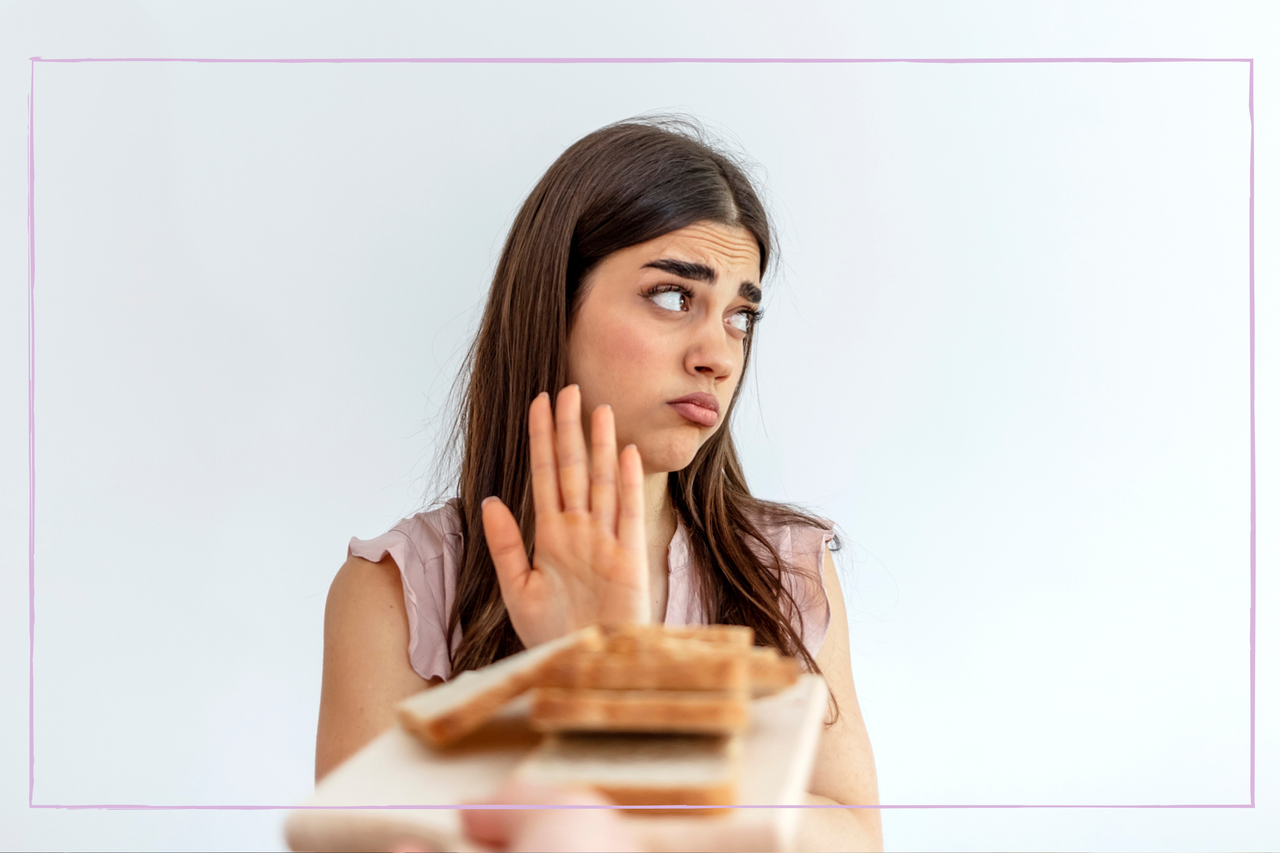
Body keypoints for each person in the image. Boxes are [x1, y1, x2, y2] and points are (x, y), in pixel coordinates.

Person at [314, 116, 883, 851]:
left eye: (741, 315)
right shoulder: (398, 590)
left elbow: (854, 839)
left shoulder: (786, 569)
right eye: (675, 296)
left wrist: (624, 700)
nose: (719, 353)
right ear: (555, 304)